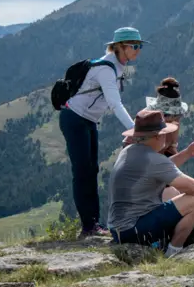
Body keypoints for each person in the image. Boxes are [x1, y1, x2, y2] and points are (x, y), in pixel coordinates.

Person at [59, 27, 143, 240]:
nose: (138, 50)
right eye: (134, 46)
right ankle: (88, 226)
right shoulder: (106, 69)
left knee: (92, 170)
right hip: (75, 118)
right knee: (82, 172)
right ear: (120, 47)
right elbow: (115, 104)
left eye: (139, 46)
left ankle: (94, 223)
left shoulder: (116, 66)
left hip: (87, 120)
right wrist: (136, 130)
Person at [108, 109, 194, 254]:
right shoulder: (153, 159)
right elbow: (192, 187)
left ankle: (169, 242)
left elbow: (163, 167)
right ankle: (173, 252)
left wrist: (187, 153)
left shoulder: (129, 150)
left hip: (118, 228)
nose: (166, 137)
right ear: (157, 137)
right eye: (164, 134)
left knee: (171, 192)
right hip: (133, 231)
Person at [145, 77, 194, 166]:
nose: (178, 118)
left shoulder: (172, 124)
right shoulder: (145, 126)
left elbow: (172, 149)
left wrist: (187, 153)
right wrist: (187, 152)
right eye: (176, 115)